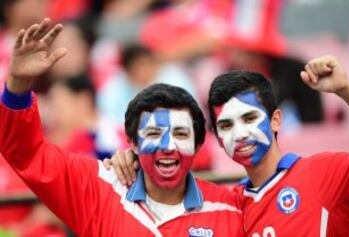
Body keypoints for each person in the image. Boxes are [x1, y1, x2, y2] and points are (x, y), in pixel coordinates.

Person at [0, 18, 244, 236]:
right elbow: (27, 154)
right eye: (153, 133)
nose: (167, 145)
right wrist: (17, 86)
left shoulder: (232, 209)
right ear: (133, 143)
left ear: (198, 144)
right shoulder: (99, 188)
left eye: (180, 133)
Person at [107, 55, 349, 236]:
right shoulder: (230, 205)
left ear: (275, 120)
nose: (239, 134)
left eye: (249, 118)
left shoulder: (325, 172)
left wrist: (346, 89)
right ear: (217, 138)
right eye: (226, 126)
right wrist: (132, 160)